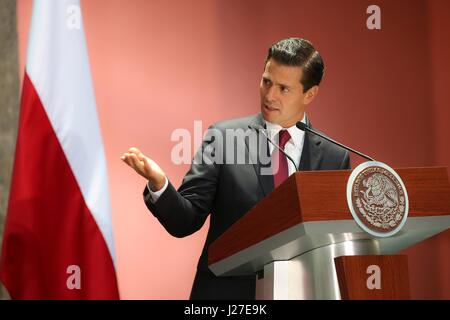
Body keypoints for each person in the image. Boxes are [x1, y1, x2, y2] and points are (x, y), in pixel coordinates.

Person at [121, 38, 350, 299]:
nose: (270, 95)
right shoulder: (224, 138)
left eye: (283, 88)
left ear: (309, 94)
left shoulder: (334, 157)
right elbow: (185, 221)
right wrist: (159, 184)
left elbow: (334, 240)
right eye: (266, 81)